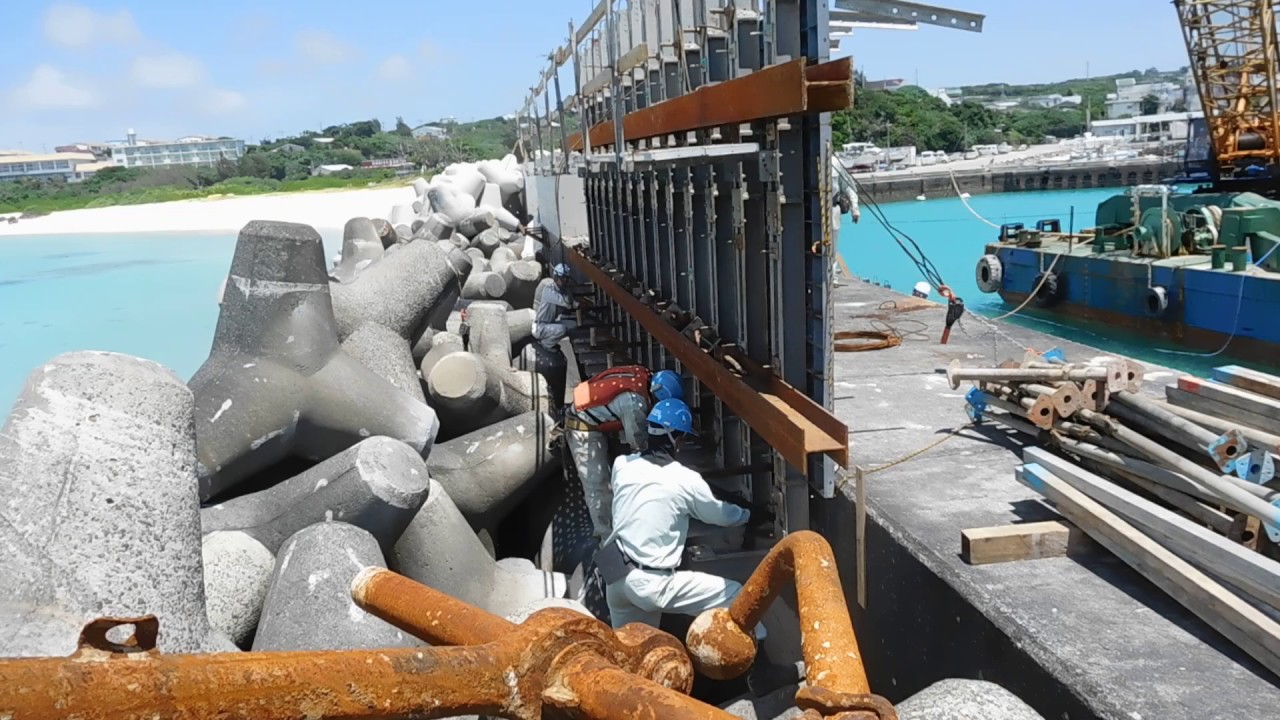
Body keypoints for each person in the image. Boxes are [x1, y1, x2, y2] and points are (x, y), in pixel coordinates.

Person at [597, 398, 793, 693]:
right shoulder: (683, 479)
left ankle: (617, 699)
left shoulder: (623, 466)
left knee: (630, 653)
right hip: (654, 583)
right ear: (677, 439)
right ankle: (761, 671)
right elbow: (719, 515)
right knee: (736, 595)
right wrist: (749, 514)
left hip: (616, 575)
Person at [565, 367, 684, 541]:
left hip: (595, 416)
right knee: (598, 488)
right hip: (582, 429)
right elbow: (638, 444)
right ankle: (606, 539)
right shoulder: (635, 404)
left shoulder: (644, 377)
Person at [532, 262, 578, 353]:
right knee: (561, 329)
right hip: (540, 326)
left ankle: (553, 340)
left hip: (550, 323)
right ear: (556, 277)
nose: (565, 281)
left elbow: (571, 304)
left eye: (566, 279)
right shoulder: (548, 290)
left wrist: (578, 304)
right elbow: (565, 303)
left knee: (573, 325)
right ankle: (545, 344)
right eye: (563, 279)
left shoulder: (561, 290)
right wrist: (570, 293)